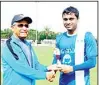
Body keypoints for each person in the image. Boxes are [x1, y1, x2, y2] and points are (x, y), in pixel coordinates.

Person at [1, 14, 58, 85]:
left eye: (26, 25)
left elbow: (36, 65)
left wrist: (48, 68)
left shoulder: (28, 45)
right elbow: (21, 68)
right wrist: (45, 75)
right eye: (20, 25)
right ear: (12, 28)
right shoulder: (7, 46)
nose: (24, 28)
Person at [52, 6, 97, 85]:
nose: (68, 22)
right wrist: (52, 71)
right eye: (65, 19)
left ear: (78, 19)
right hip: (63, 82)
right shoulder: (59, 38)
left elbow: (92, 62)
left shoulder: (87, 36)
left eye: (71, 19)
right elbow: (56, 59)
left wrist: (72, 68)